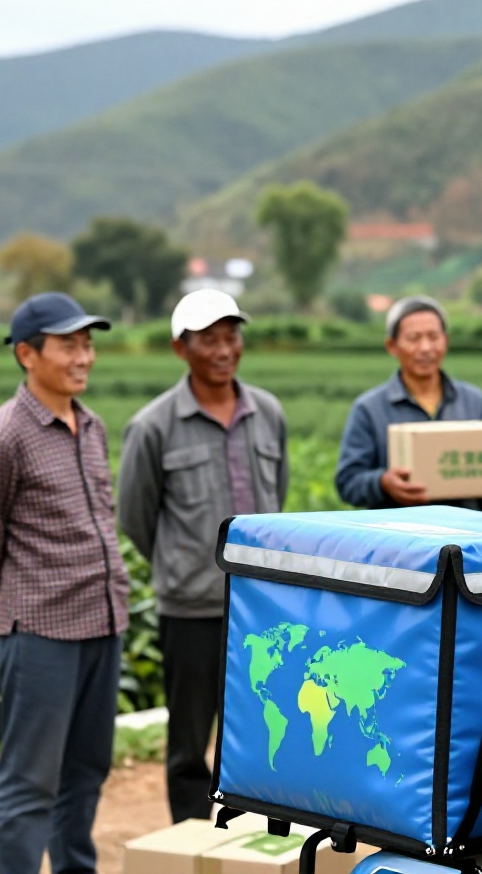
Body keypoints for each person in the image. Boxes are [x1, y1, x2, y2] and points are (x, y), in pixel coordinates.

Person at [0, 292, 127, 874]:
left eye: (88, 344)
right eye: (69, 345)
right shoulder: (1, 437)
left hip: (103, 623)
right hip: (41, 635)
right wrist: (27, 599)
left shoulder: (92, 426)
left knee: (86, 772)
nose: (84, 357)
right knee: (30, 782)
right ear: (28, 354)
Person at [117, 289, 288, 823]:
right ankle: (190, 841)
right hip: (191, 608)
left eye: (231, 336)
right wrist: (184, 566)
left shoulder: (268, 413)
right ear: (180, 349)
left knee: (262, 729)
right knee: (190, 742)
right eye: (208, 339)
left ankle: (250, 838)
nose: (223, 349)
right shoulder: (153, 425)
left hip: (259, 607)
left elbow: (275, 498)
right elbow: (137, 517)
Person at [335, 295, 482, 509]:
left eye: (433, 337)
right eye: (414, 338)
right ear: (392, 346)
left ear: (445, 341)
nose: (426, 348)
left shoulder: (474, 401)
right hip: (399, 538)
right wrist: (383, 483)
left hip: (467, 536)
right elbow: (348, 482)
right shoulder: (369, 409)